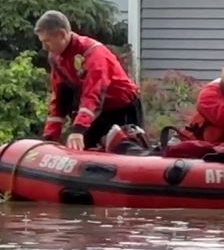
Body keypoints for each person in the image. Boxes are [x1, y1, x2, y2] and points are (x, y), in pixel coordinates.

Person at [35, 10, 144, 150]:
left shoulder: (93, 53)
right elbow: (60, 98)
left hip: (122, 109)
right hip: (97, 111)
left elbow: (94, 93)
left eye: (47, 41)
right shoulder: (56, 58)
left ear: (62, 35)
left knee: (125, 150)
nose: (44, 48)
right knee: (84, 150)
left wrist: (79, 129)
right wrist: (49, 137)